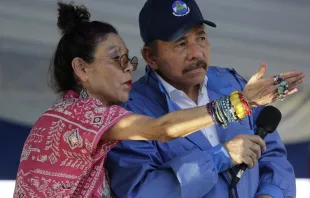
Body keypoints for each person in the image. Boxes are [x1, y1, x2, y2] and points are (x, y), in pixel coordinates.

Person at [12, 2, 284, 198]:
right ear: (82, 68)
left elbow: (274, 155)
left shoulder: (78, 115)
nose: (129, 67)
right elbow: (162, 129)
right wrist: (239, 106)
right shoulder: (81, 114)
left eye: (201, 37)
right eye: (116, 58)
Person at [106, 0, 305, 198]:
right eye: (181, 43)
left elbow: (272, 152)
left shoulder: (231, 84)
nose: (196, 53)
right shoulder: (131, 112)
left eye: (200, 37)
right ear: (151, 57)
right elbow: (141, 192)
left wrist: (270, 194)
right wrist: (221, 157)